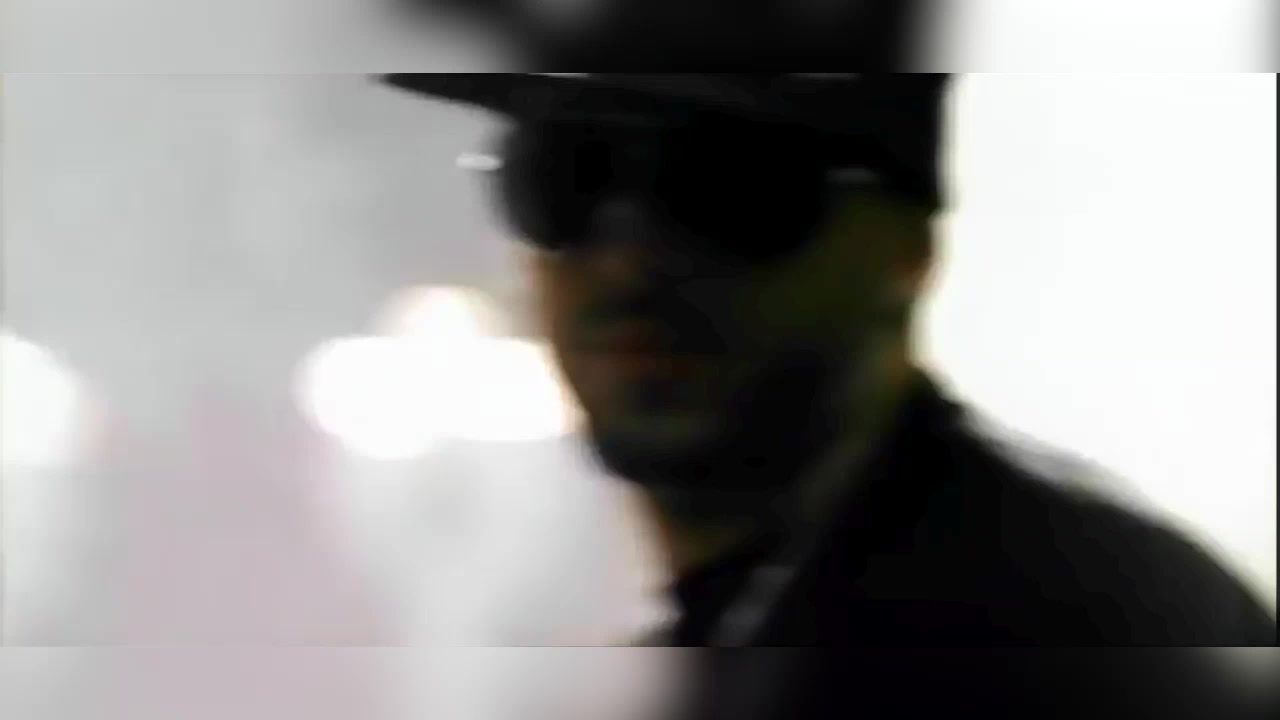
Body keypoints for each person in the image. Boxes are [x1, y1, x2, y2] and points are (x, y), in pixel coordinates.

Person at [382, 72, 1275, 715]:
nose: (628, 260)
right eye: (566, 174)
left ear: (906, 249)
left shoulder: (1080, 632)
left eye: (728, 181)